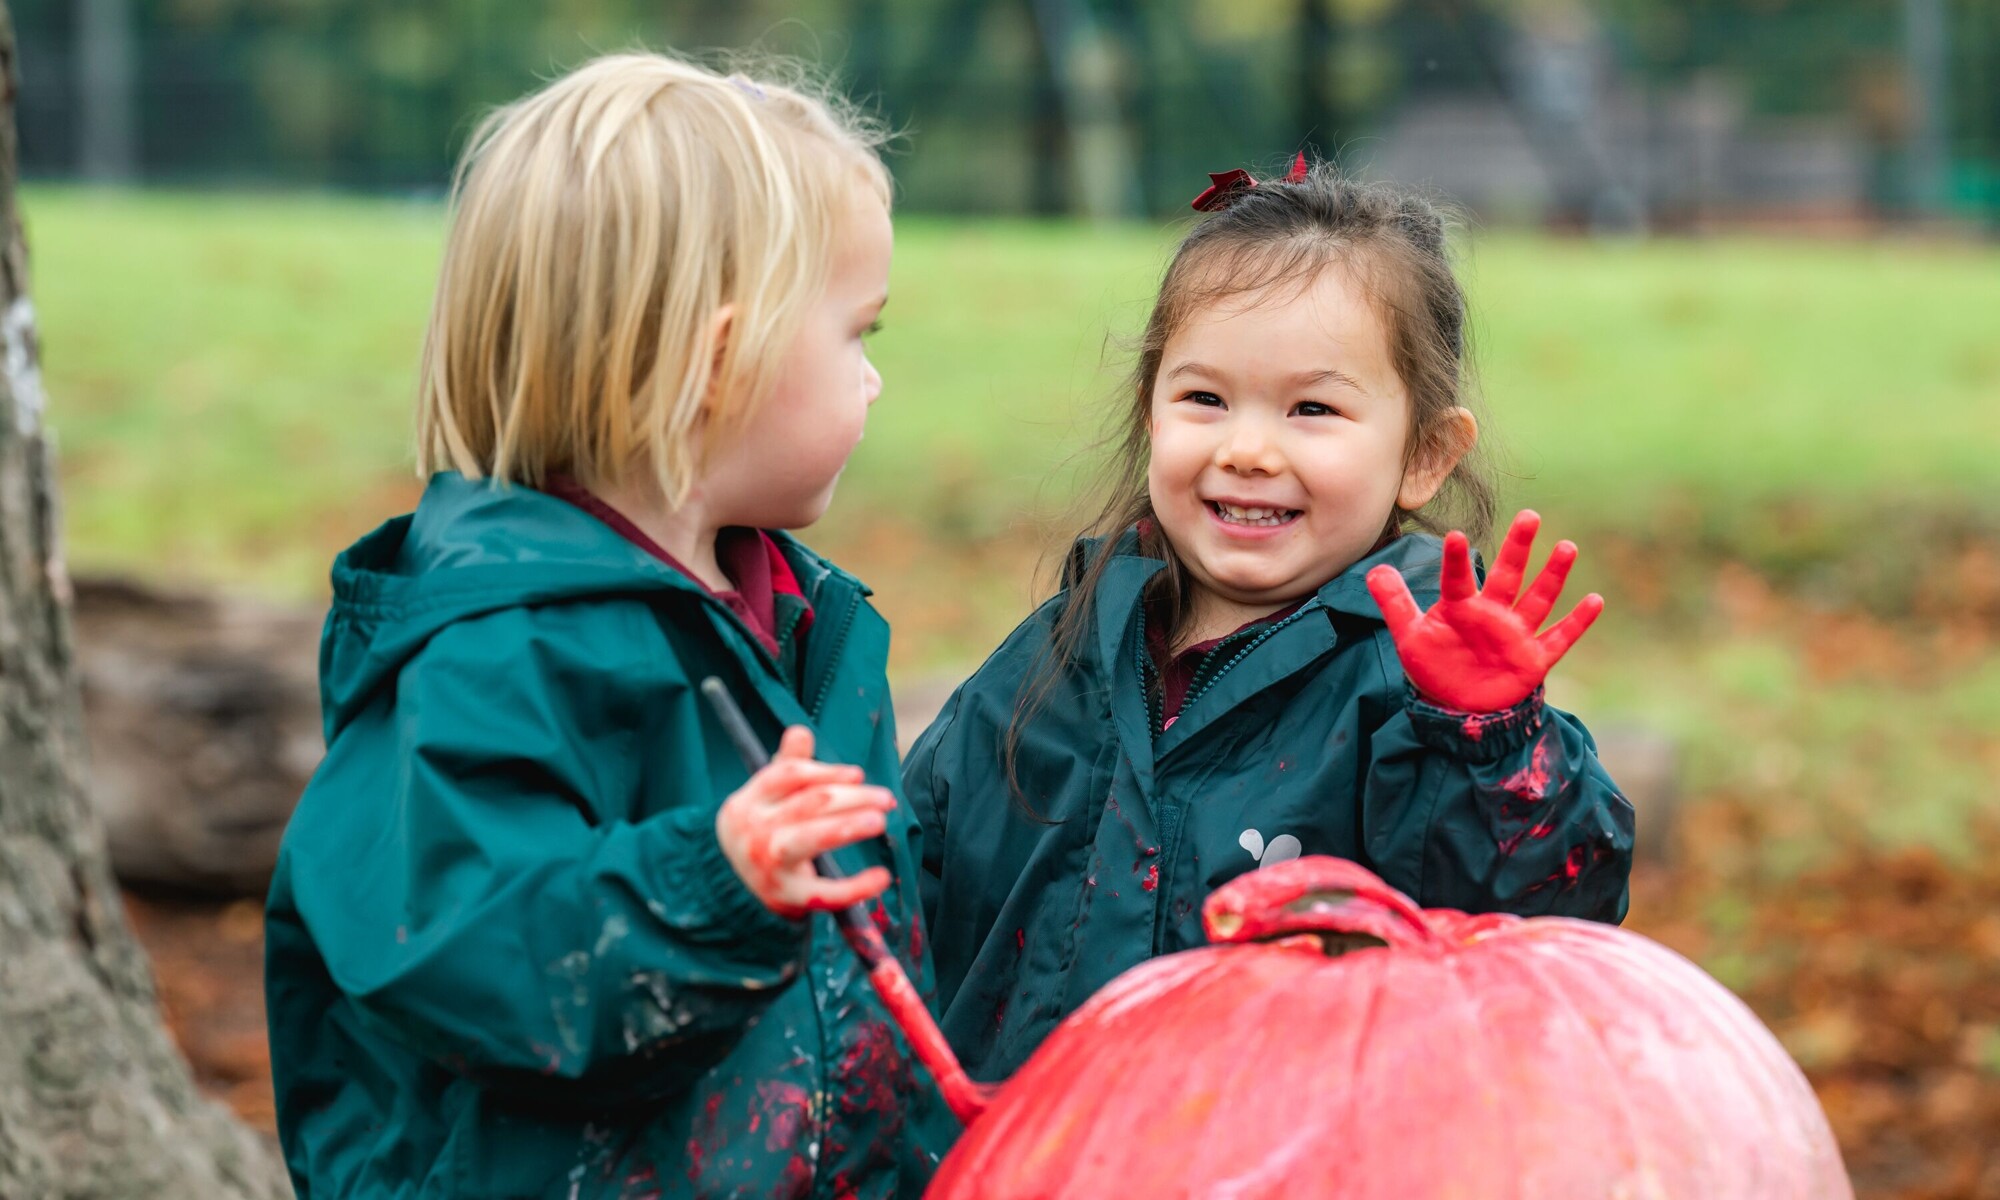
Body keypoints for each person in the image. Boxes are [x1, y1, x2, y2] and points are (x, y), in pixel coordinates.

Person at [265, 53, 954, 1198]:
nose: (873, 383)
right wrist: (712, 886)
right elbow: (466, 949)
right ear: (716, 361)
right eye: (856, 334)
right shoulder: (494, 649)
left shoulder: (803, 622)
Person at [903, 159, 1637, 1082]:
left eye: (1313, 408)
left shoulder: (1416, 700)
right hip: (1032, 1155)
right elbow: (905, 895)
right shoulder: (1058, 657)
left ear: (1423, 455)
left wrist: (1492, 747)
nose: (1248, 449)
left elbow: (1547, 921)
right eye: (1205, 399)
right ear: (1151, 412)